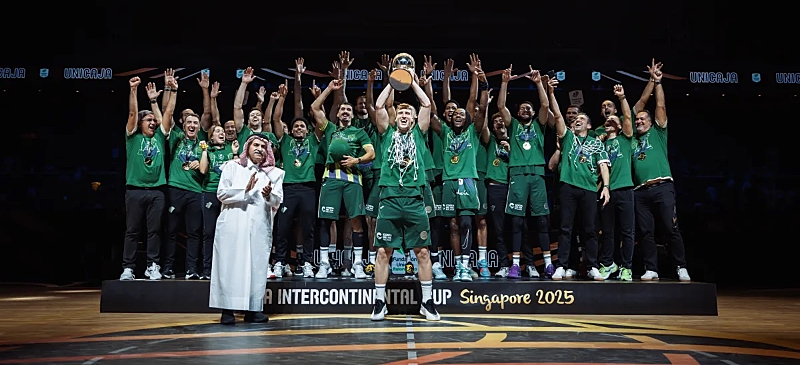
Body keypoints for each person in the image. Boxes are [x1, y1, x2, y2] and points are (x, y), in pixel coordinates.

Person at [371, 74, 439, 321]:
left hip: (414, 199)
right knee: (382, 252)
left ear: (413, 119)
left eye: (408, 113)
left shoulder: (419, 134)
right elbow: (379, 106)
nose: (403, 115)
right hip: (389, 199)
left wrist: (411, 82)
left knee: (422, 252)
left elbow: (427, 105)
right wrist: (393, 81)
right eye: (400, 112)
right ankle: (380, 303)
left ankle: (427, 302)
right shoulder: (386, 134)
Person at [209, 133, 284, 325]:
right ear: (247, 148)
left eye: (263, 146)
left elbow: (278, 199)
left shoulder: (274, 174)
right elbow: (222, 193)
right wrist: (245, 190)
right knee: (230, 266)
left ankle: (253, 309)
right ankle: (227, 310)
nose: (259, 149)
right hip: (233, 225)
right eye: (255, 145)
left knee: (256, 266)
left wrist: (268, 196)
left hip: (259, 227)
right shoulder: (232, 167)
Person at [310, 78, 375, 279]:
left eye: (348, 110)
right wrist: (329, 88)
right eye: (342, 110)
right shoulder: (329, 129)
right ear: (337, 114)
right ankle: (324, 264)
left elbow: (371, 153)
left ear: (352, 115)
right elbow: (314, 106)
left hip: (353, 179)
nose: (345, 112)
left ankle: (357, 264)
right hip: (331, 177)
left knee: (356, 222)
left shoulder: (359, 132)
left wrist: (357, 160)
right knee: (326, 220)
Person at [631, 61, 691, 282]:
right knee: (645, 232)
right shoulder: (631, 141)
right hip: (640, 191)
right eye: (637, 119)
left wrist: (657, 82)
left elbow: (660, 107)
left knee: (670, 227)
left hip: (662, 186)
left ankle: (680, 266)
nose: (639, 121)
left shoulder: (658, 132)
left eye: (642, 119)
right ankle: (651, 269)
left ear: (651, 122)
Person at [548, 78, 611, 281]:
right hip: (568, 187)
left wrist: (606, 187)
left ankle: (592, 266)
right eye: (576, 120)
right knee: (566, 228)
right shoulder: (567, 137)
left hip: (589, 189)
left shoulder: (596, 143)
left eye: (581, 119)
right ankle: (562, 265)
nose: (577, 121)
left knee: (590, 230)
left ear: (589, 125)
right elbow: (557, 115)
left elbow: (603, 165)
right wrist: (550, 93)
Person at [497, 66, 555, 279]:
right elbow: (501, 105)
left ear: (533, 112)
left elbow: (546, 105)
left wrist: (539, 83)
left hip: (537, 175)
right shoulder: (512, 126)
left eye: (528, 108)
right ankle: (515, 265)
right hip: (518, 175)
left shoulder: (540, 125)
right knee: (517, 222)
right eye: (521, 108)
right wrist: (504, 82)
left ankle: (548, 264)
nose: (524, 110)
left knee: (541, 220)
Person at [120, 77, 170, 281]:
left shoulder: (158, 136)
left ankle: (152, 265)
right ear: (139, 123)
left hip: (157, 190)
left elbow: (168, 115)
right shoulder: (133, 137)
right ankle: (128, 268)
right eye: (148, 120)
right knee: (132, 231)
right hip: (134, 190)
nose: (153, 122)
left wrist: (169, 92)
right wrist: (133, 90)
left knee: (155, 231)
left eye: (153, 120)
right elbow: (132, 113)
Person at [271, 81, 320, 278]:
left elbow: (320, 119)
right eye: (296, 126)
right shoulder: (286, 141)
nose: (299, 128)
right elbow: (276, 119)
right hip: (288, 188)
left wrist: (317, 99)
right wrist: (282, 98)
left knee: (308, 228)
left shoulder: (313, 141)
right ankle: (280, 262)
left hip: (308, 188)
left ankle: (307, 262)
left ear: (308, 130)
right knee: (283, 228)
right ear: (290, 131)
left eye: (302, 126)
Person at [598, 85, 635, 281]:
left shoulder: (625, 138)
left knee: (627, 231)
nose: (609, 121)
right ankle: (608, 264)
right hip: (607, 192)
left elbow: (627, 118)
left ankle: (626, 267)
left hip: (625, 189)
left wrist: (621, 98)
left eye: (613, 120)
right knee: (608, 232)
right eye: (607, 120)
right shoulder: (601, 143)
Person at [198, 125, 236, 280]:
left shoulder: (231, 149)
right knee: (209, 233)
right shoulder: (208, 151)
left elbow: (236, 171)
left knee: (228, 233)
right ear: (211, 137)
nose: (221, 133)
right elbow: (202, 170)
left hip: (227, 195)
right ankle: (207, 269)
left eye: (222, 131)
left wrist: (234, 154)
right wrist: (205, 151)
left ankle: (227, 270)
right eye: (217, 132)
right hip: (210, 192)